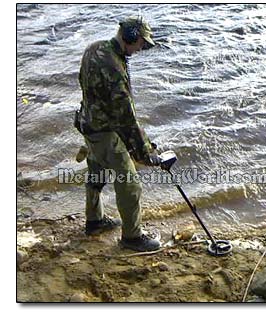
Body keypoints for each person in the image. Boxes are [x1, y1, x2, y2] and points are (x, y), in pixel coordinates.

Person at [76, 16, 161, 252]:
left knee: (96, 172)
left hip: (88, 124)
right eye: (141, 43)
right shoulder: (114, 66)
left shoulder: (93, 48)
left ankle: (95, 221)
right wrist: (144, 151)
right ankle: (132, 237)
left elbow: (83, 84)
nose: (141, 49)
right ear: (130, 37)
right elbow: (126, 115)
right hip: (105, 132)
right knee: (130, 183)